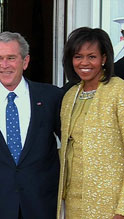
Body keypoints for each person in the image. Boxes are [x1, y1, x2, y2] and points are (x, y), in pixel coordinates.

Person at [0, 31, 63, 219]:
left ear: (25, 62)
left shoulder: (51, 96)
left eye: (11, 58)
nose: (5, 65)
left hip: (41, 204)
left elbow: (71, 142)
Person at [57, 27, 124, 219]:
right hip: (73, 202)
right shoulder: (70, 95)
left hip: (109, 203)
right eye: (78, 56)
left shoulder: (119, 90)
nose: (84, 63)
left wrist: (122, 210)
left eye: (91, 56)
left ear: (103, 58)